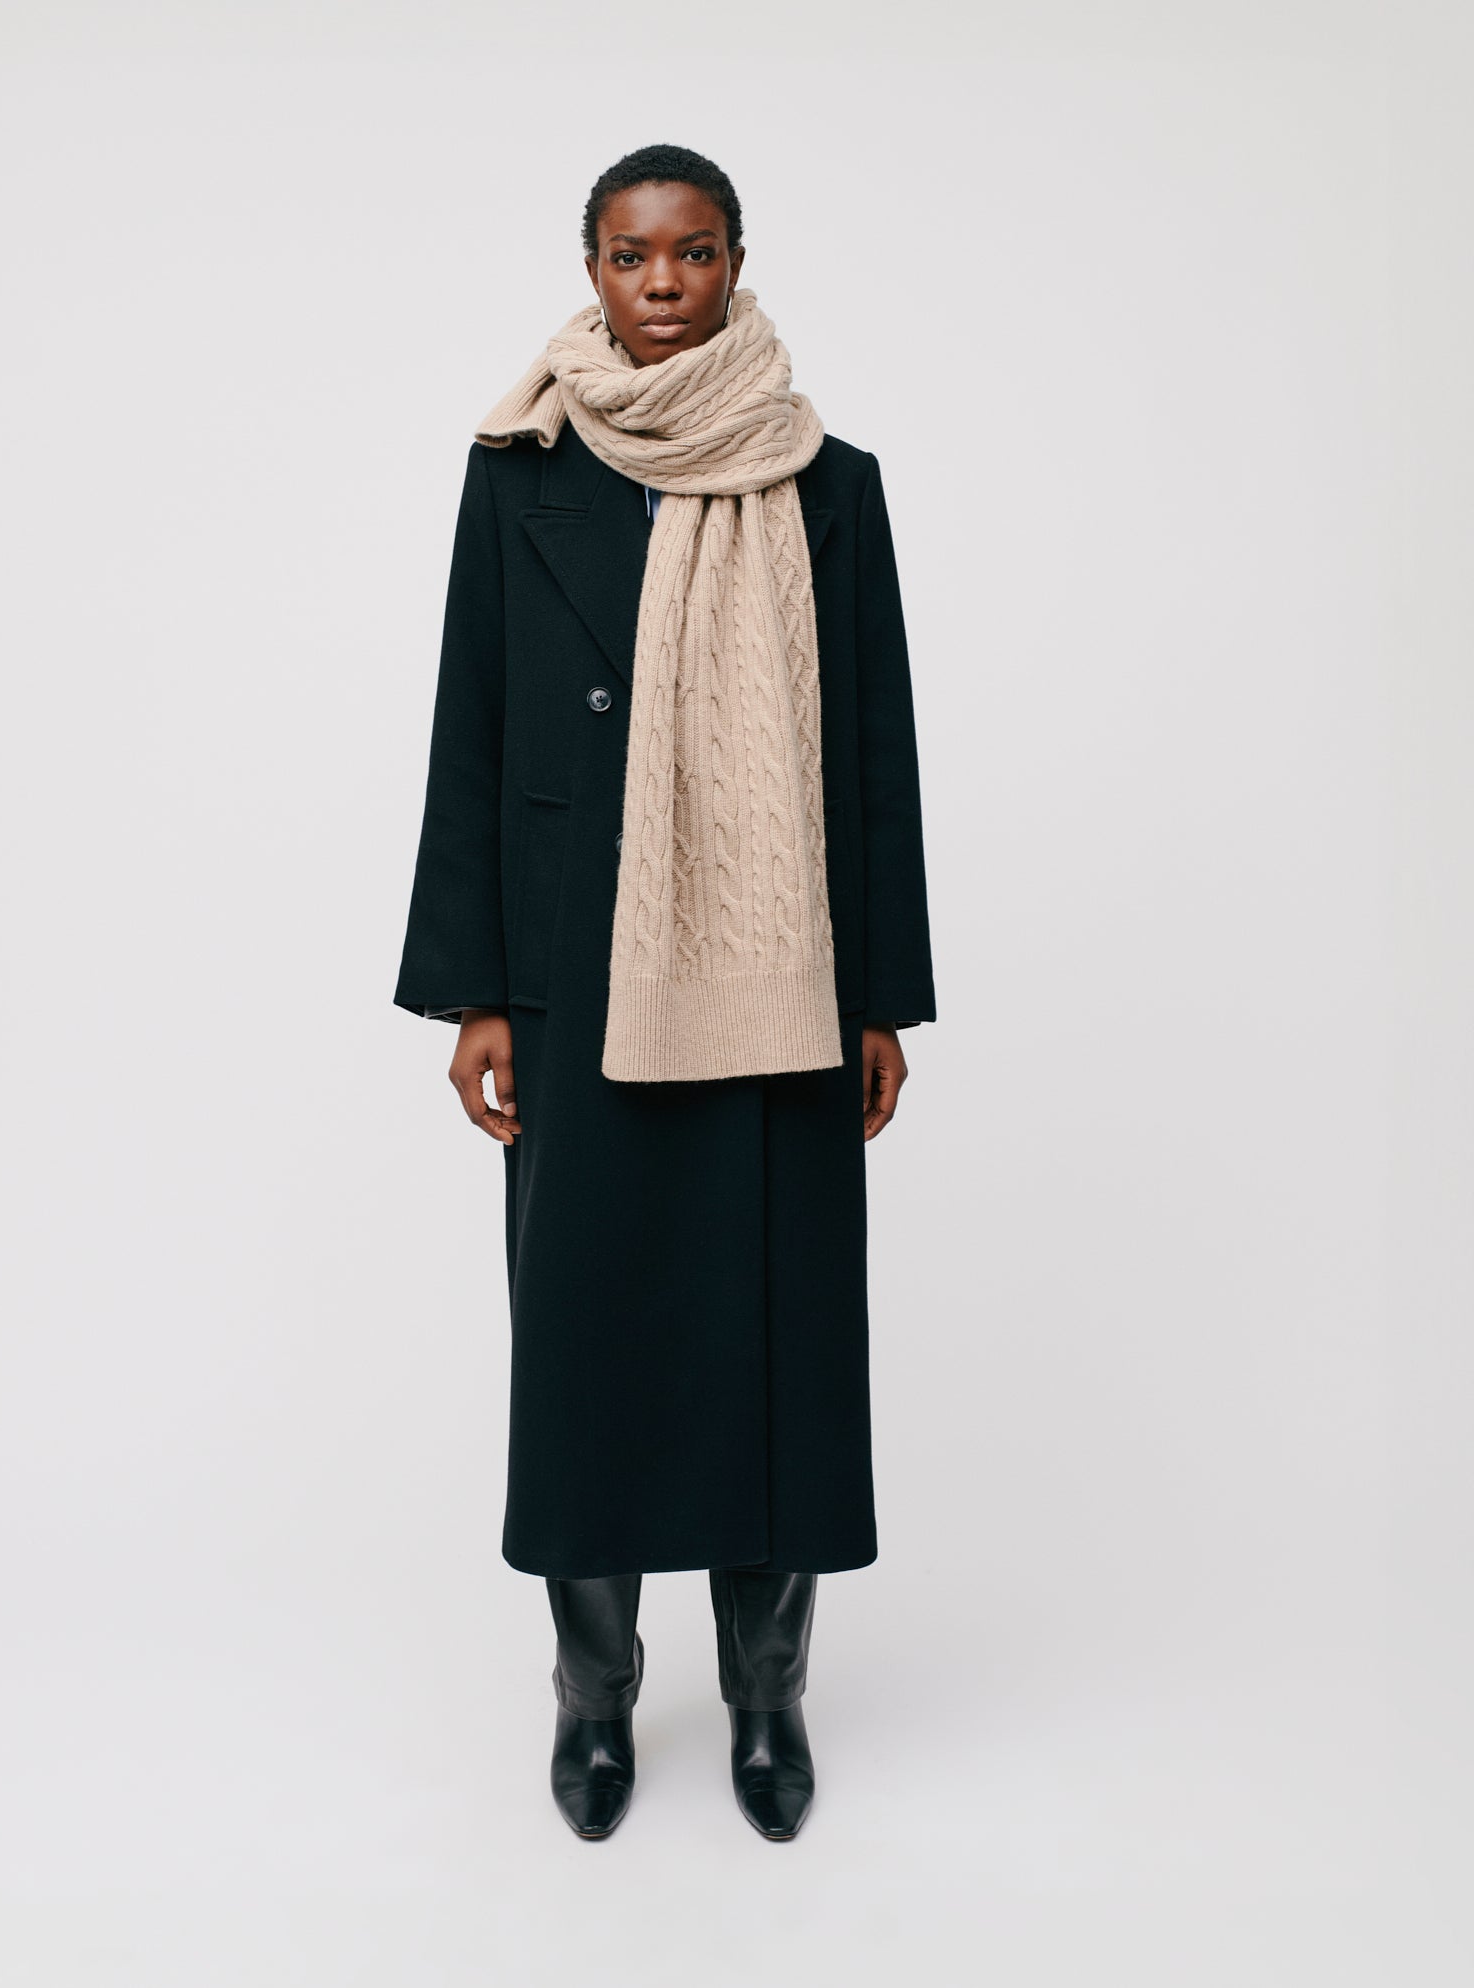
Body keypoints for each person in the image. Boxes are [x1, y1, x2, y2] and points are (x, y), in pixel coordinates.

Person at [393, 143, 936, 1841]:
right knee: (587, 1333)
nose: (663, 286)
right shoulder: (516, 471)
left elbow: (874, 751)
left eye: (693, 255)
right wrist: (475, 990)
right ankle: (594, 1692)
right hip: (575, 963)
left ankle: (768, 1693)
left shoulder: (827, 481)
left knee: (777, 1332)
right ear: (593, 270)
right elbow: (473, 724)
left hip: (777, 973)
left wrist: (880, 997)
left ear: (736, 265)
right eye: (633, 257)